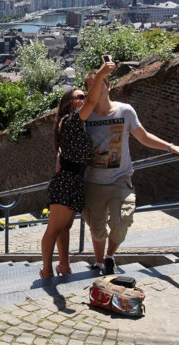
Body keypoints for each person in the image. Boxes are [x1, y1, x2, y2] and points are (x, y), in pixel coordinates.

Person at [83, 66, 179, 275]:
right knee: (97, 227)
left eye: (98, 84)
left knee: (121, 222)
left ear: (108, 86)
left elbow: (143, 136)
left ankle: (109, 256)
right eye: (89, 86)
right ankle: (99, 263)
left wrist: (169, 146)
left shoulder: (125, 111)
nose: (95, 89)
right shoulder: (85, 116)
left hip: (120, 179)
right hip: (93, 181)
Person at [40, 58, 116, 279]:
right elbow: (92, 103)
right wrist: (100, 75)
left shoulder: (76, 122)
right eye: (80, 97)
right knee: (53, 229)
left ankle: (64, 266)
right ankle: (46, 269)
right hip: (66, 181)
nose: (84, 99)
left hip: (74, 180)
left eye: (84, 95)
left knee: (65, 229)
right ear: (69, 103)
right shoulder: (71, 120)